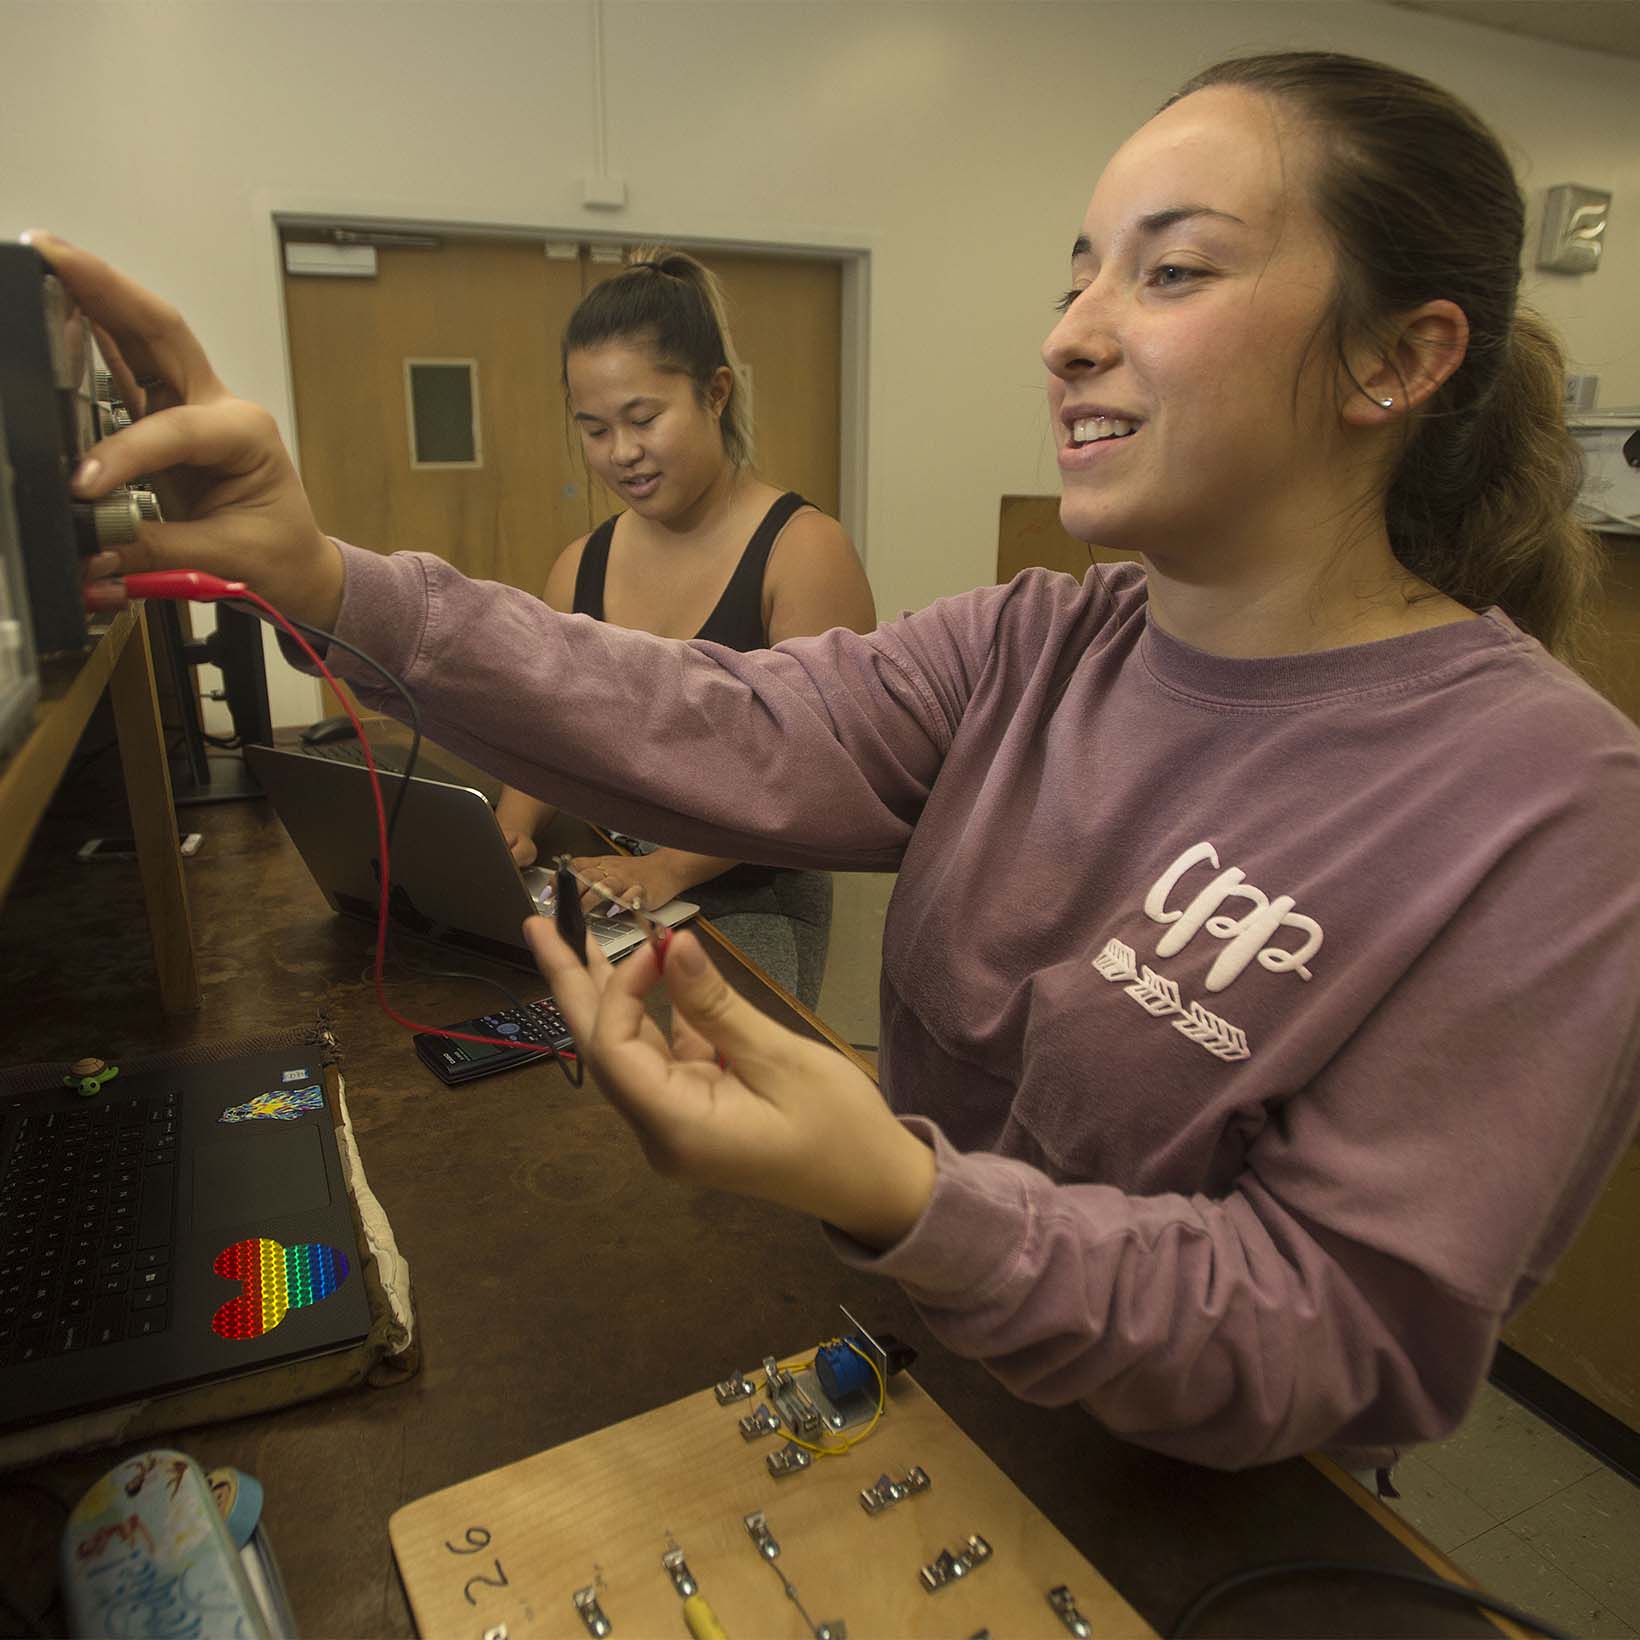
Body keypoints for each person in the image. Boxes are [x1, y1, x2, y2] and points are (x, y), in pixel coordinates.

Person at [54, 47, 1640, 1472]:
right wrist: (329, 579)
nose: (1071, 335)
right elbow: (716, 721)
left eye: (1171, 276)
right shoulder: (1040, 640)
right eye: (1077, 274)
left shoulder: (1553, 811)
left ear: (1399, 358)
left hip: (1184, 1503)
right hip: (922, 1360)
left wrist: (910, 1197)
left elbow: (1338, 1336)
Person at [492, 250, 875, 1011]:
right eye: (595, 429)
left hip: (749, 891)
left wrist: (668, 868)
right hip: (620, 881)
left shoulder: (801, 551)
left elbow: (819, 783)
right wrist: (507, 833)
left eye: (643, 419)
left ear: (715, 393)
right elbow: (545, 729)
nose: (621, 453)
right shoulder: (581, 566)